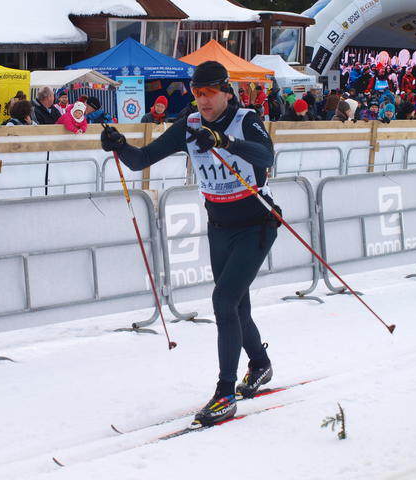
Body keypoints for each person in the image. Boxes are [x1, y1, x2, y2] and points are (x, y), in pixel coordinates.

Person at [100, 61, 278, 428]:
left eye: (210, 93)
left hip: (256, 224)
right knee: (237, 306)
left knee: (224, 301)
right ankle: (260, 364)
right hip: (220, 226)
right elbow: (142, 159)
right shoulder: (191, 124)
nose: (203, 100)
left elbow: (266, 156)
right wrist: (119, 146)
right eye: (198, 93)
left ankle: (225, 393)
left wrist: (225, 142)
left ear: (226, 92)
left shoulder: (245, 119)